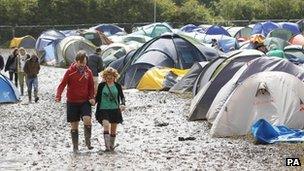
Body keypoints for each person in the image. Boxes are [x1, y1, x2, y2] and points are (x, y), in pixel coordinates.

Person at [55, 50, 95, 153]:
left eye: (84, 63)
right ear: (76, 61)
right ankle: (75, 146)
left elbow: (91, 86)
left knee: (87, 119)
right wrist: (58, 95)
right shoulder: (69, 72)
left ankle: (88, 141)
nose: (83, 65)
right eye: (81, 63)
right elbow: (62, 84)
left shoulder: (88, 72)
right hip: (72, 101)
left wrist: (92, 97)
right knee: (74, 125)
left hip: (85, 101)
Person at [95, 67, 126, 151]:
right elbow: (97, 97)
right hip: (103, 109)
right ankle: (107, 147)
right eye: (107, 78)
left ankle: (112, 146)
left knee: (113, 129)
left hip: (115, 109)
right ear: (104, 77)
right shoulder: (101, 86)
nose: (109, 79)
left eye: (111, 78)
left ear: (114, 77)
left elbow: (122, 97)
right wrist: (93, 101)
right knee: (105, 125)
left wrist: (123, 104)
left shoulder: (117, 86)